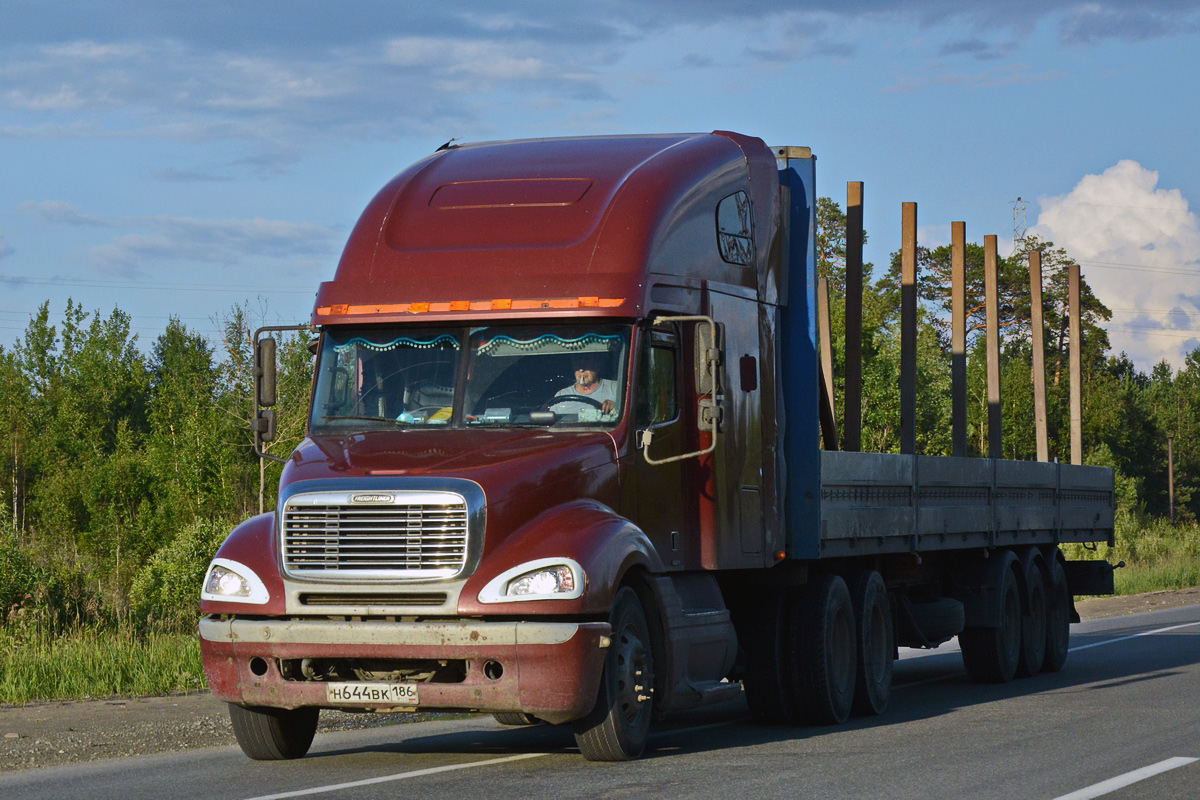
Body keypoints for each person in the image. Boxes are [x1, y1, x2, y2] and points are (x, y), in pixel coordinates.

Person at [549, 353, 619, 418]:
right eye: (577, 364)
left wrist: (617, 407)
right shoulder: (561, 396)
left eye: (586, 363)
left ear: (597, 365)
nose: (581, 369)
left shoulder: (616, 389)